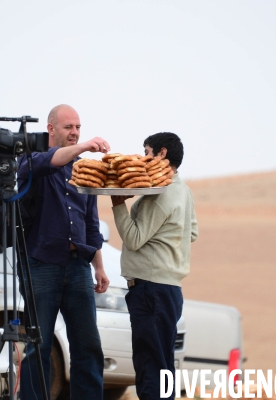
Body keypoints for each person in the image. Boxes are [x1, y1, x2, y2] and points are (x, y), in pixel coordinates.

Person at [17, 104, 110, 400]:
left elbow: (91, 223)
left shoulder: (83, 168)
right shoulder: (34, 160)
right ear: (51, 129)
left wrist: (99, 266)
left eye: (78, 127)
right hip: (41, 264)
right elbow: (51, 161)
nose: (74, 132)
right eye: (69, 127)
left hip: (78, 266)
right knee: (38, 345)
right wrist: (84, 145)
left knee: (88, 345)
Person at [110, 132, 198, 400]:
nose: (144, 157)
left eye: (147, 152)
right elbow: (191, 232)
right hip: (169, 290)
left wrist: (117, 204)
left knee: (149, 365)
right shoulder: (184, 190)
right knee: (162, 364)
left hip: (150, 290)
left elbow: (134, 239)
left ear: (162, 154)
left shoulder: (160, 194)